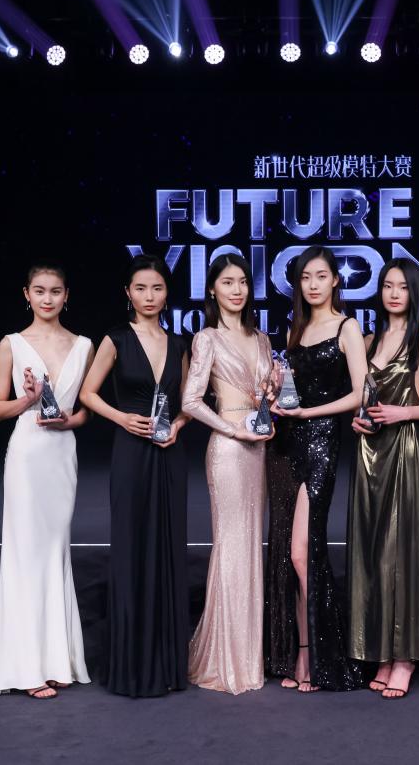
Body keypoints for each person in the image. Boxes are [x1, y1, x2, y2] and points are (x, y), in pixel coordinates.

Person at [82, 254, 192, 697]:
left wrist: (178, 426)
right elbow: (88, 394)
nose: (149, 296)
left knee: (168, 545)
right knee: (130, 546)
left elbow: (188, 403)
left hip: (169, 453)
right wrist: (122, 418)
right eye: (141, 288)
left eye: (157, 288)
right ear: (127, 293)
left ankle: (166, 665)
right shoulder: (115, 339)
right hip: (130, 451)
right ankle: (130, 666)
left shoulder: (179, 344)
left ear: (167, 294)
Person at [0, 262, 95, 699]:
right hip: (27, 454)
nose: (47, 298)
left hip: (62, 453)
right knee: (24, 553)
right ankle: (27, 667)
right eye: (39, 290)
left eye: (55, 291)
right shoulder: (11, 344)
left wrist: (71, 419)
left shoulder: (84, 345)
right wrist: (27, 400)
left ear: (67, 295)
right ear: (26, 294)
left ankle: (56, 660)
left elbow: (86, 410)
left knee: (55, 550)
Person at [266, 245, 367, 693]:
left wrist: (308, 413)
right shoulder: (297, 327)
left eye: (321, 276)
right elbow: (290, 388)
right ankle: (299, 651)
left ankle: (317, 657)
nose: (313, 285)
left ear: (335, 280)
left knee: (302, 552)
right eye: (305, 277)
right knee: (288, 555)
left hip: (322, 441)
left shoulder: (347, 327)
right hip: (284, 444)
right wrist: (274, 391)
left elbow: (360, 393)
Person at [346, 258, 419, 699]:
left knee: (399, 550)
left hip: (403, 448)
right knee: (372, 550)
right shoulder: (369, 340)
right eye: (387, 285)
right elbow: (360, 398)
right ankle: (382, 652)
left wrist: (402, 412)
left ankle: (405, 657)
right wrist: (358, 420)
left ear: (414, 292)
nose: (393, 294)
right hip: (368, 452)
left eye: (402, 287)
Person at [182, 254, 274, 695]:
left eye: (242, 282)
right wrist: (232, 429)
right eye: (227, 282)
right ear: (212, 289)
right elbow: (190, 401)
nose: (237, 290)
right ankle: (225, 659)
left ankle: (247, 654)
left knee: (250, 545)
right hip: (228, 449)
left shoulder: (263, 339)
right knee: (232, 544)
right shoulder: (207, 339)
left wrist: (271, 396)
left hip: (259, 449)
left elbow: (265, 396)